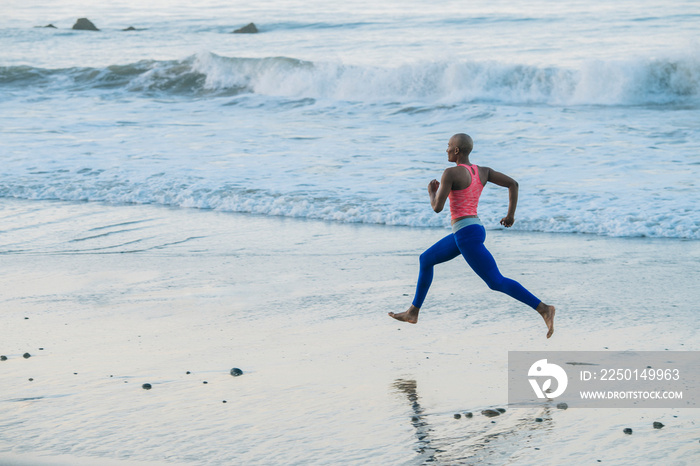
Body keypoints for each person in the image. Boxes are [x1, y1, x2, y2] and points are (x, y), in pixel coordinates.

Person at [388, 133, 556, 338]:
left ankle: (543, 308)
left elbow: (437, 208)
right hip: (472, 230)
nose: (446, 149)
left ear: (457, 150)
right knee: (426, 259)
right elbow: (514, 184)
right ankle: (413, 312)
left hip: (466, 235)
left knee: (496, 281)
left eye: (449, 146)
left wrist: (432, 192)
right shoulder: (482, 172)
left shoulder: (450, 174)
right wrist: (510, 215)